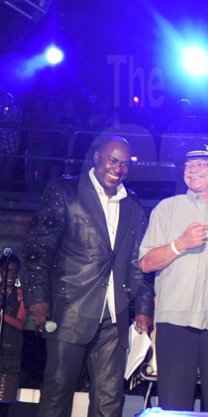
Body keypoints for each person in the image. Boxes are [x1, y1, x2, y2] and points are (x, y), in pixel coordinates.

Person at [21, 135, 154, 417]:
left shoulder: (133, 206)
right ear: (96, 157)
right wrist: (38, 298)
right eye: (112, 160)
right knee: (57, 392)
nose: (118, 168)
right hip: (70, 310)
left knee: (109, 401)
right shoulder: (65, 191)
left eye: (124, 164)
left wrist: (143, 307)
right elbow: (38, 248)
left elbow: (137, 261)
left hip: (113, 317)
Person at [139, 145, 208, 412]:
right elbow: (145, 262)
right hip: (176, 322)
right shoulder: (167, 209)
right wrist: (180, 244)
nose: (194, 170)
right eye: (189, 166)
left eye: (202, 164)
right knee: (174, 406)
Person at [0, 252, 26, 400]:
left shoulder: (21, 294)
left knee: (5, 398)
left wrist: (2, 315)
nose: (11, 274)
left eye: (15, 271)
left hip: (11, 350)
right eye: (8, 270)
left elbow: (20, 324)